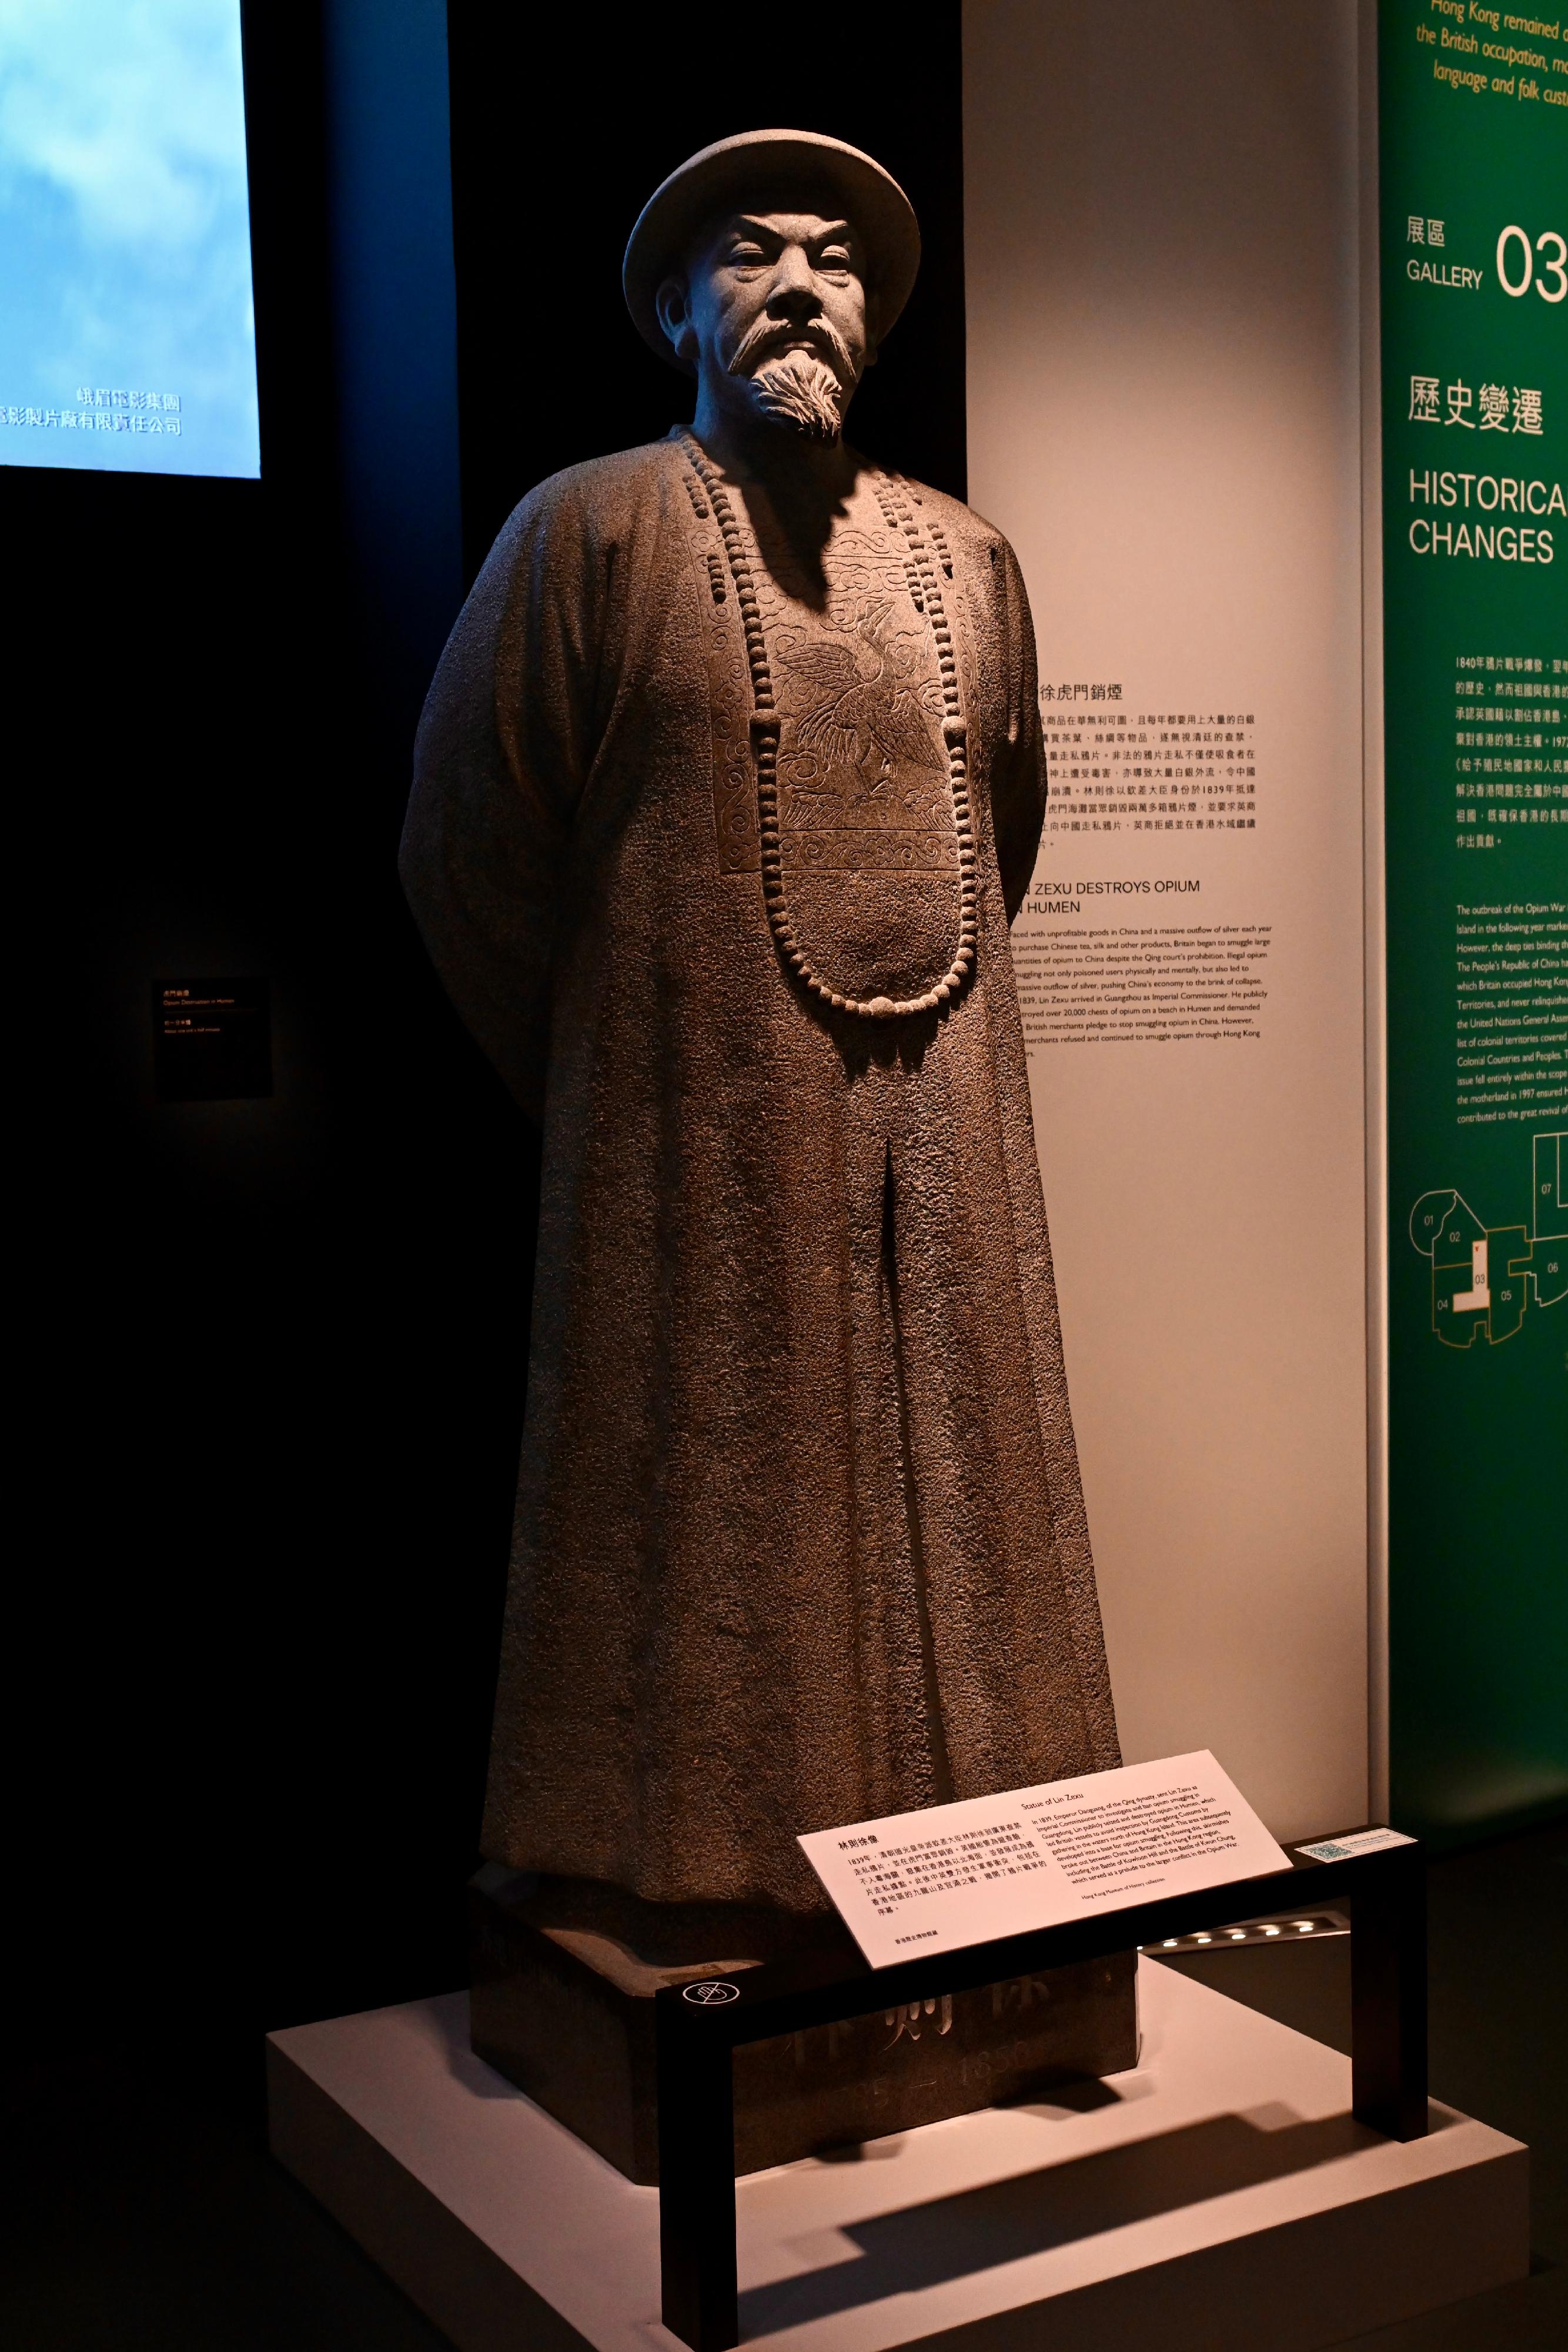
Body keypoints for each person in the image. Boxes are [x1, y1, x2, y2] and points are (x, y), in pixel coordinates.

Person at [402, 132, 1121, 1940]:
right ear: (674, 312)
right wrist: (624, 1087)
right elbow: (469, 853)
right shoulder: (591, 531)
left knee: (968, 1453)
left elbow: (1002, 836)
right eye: (749, 256)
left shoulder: (967, 560)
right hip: (688, 1136)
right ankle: (693, 1873)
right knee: (709, 1487)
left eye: (838, 259)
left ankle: (981, 1867)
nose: (801, 286)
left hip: (942, 1114)